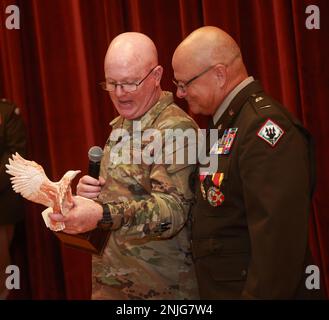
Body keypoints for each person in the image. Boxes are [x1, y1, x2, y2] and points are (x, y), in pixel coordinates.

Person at [171, 26, 320, 299]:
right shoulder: (227, 125)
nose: (180, 94)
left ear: (219, 74)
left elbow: (278, 247)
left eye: (185, 84)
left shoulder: (263, 129)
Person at [49, 32, 199, 300]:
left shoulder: (175, 130)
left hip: (160, 292)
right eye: (111, 83)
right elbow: (124, 196)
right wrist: (91, 197)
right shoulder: (123, 125)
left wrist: (101, 213)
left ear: (156, 76)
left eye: (129, 83)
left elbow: (173, 211)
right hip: (112, 285)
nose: (119, 94)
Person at [0, 99, 27, 299]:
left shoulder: (7, 111)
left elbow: (15, 154)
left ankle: (7, 294)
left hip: (2, 202)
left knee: (2, 262)